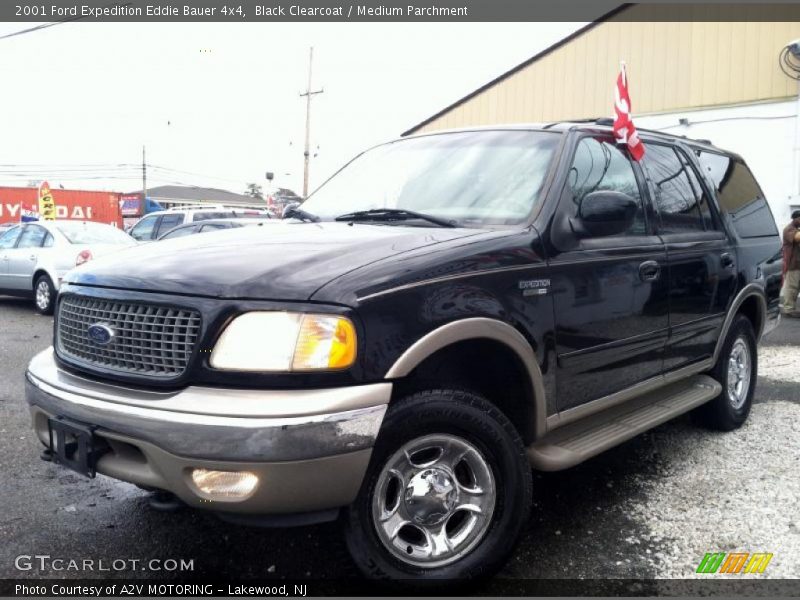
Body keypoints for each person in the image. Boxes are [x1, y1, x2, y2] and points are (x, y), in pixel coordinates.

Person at [782, 209, 800, 316]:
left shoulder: (796, 229)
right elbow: (797, 237)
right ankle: (789, 309)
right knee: (792, 287)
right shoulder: (789, 229)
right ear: (796, 218)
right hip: (792, 265)